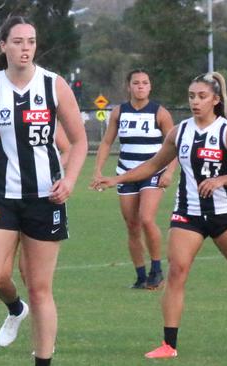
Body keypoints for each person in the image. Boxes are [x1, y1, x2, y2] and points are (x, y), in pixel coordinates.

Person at [91, 72, 227, 359]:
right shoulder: (180, 132)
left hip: (225, 214)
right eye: (191, 96)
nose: (195, 102)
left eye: (201, 97)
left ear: (215, 100)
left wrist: (221, 180)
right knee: (176, 272)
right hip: (188, 214)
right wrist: (117, 179)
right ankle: (168, 345)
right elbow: (153, 165)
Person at [0, 16, 88, 366]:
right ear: (3, 46)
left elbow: (79, 140)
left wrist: (69, 180)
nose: (25, 48)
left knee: (40, 288)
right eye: (17, 41)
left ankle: (42, 360)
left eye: (30, 41)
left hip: (45, 197)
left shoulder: (54, 86)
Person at [93, 69, 176, 290]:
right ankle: (140, 275)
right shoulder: (119, 112)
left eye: (145, 83)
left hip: (153, 173)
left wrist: (168, 172)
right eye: (136, 83)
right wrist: (98, 171)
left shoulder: (160, 113)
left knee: (147, 219)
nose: (140, 86)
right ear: (128, 86)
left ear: (150, 87)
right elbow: (106, 143)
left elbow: (174, 146)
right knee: (132, 225)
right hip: (125, 173)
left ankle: (156, 269)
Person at [0, 128, 70, 348]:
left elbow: (69, 148)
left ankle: (44, 342)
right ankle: (16, 309)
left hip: (40, 199)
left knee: (33, 278)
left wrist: (51, 171)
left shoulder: (44, 106)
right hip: (2, 196)